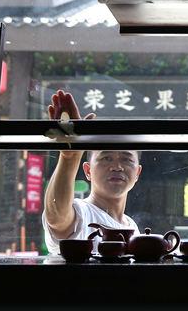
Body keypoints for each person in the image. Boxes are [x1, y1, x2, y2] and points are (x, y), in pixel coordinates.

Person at [41, 90, 142, 255]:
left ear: (137, 172)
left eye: (126, 159)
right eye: (106, 158)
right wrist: (69, 157)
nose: (117, 166)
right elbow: (57, 218)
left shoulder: (131, 227)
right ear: (88, 170)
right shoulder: (82, 213)